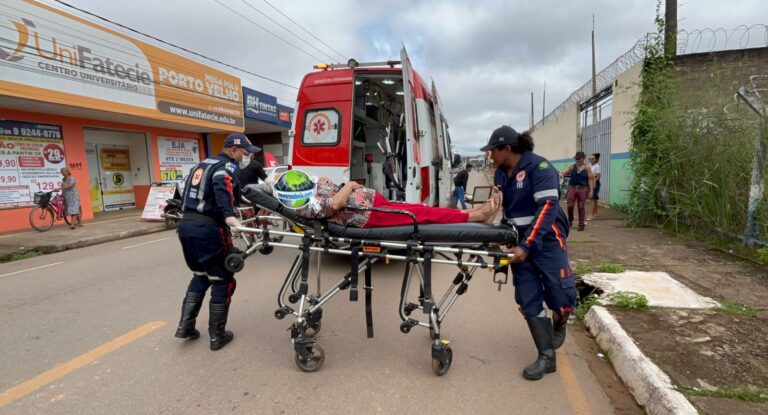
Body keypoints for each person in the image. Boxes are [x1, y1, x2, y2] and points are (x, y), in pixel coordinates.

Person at [480, 125, 576, 381]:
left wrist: (527, 245)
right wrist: (492, 232)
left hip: (547, 241)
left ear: (507, 148)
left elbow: (546, 209)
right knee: (527, 298)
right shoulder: (500, 174)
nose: (490, 156)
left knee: (561, 295)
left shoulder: (540, 169)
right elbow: (507, 211)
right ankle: (546, 356)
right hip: (519, 242)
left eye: (492, 151)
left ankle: (561, 318)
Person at [174, 133, 259, 351]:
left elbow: (183, 188)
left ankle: (185, 326)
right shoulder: (227, 166)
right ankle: (217, 336)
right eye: (245, 152)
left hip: (186, 226)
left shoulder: (202, 164)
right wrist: (230, 216)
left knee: (201, 275)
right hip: (208, 229)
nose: (246, 157)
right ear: (233, 150)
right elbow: (222, 183)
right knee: (223, 280)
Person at [268, 172, 498, 227]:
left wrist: (323, 182)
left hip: (371, 202)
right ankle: (477, 215)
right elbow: (335, 205)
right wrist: (348, 185)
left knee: (420, 207)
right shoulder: (303, 208)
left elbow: (324, 184)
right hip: (368, 214)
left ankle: (475, 215)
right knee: (424, 214)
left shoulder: (306, 193)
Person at [561, 151, 593, 231]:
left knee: (581, 206)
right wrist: (560, 174)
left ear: (583, 159)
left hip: (583, 189)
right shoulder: (572, 166)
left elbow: (590, 179)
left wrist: (591, 190)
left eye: (579, 159)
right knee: (570, 206)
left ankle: (581, 224)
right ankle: (570, 220)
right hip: (572, 188)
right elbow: (564, 173)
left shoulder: (587, 167)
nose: (578, 160)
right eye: (576, 159)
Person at [588, 153, 601, 220]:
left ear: (595, 159)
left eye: (592, 159)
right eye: (589, 158)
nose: (590, 160)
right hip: (590, 183)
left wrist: (594, 180)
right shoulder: (589, 165)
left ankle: (591, 215)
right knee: (594, 198)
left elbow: (598, 176)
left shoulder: (597, 166)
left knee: (592, 199)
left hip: (595, 183)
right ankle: (595, 213)